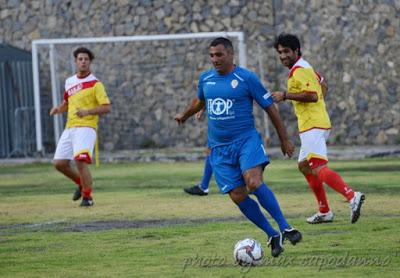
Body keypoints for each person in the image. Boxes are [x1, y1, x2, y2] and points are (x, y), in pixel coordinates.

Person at [175, 37, 302, 257]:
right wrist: (184, 116)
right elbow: (200, 100)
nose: (215, 59)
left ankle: (286, 227)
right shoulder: (206, 79)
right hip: (219, 149)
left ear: (231, 54)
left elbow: (269, 107)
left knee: (253, 181)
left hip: (246, 141)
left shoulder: (246, 78)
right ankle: (273, 235)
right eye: (212, 55)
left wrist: (284, 139)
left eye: (219, 55)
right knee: (237, 195)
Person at [271, 33, 365, 224]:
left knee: (318, 167)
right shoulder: (307, 68)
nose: (283, 56)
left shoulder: (300, 70)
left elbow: (313, 95)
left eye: (286, 51)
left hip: (312, 125)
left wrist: (285, 95)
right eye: (280, 52)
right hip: (315, 122)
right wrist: (318, 107)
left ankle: (352, 195)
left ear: (296, 50)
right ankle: (324, 211)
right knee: (305, 166)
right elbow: (323, 85)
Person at [50, 47, 111, 207]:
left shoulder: (95, 84)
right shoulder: (69, 82)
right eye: (80, 59)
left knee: (80, 162)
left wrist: (88, 111)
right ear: (76, 62)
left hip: (86, 127)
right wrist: (58, 109)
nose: (83, 61)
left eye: (86, 59)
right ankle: (81, 183)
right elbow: (67, 103)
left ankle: (88, 197)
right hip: (70, 128)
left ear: (90, 62)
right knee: (59, 163)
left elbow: (106, 107)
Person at [183, 108, 213, 196]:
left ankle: (204, 187)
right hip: (220, 119)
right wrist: (202, 109)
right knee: (211, 151)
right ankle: (204, 186)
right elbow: (207, 95)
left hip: (227, 119)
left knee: (212, 151)